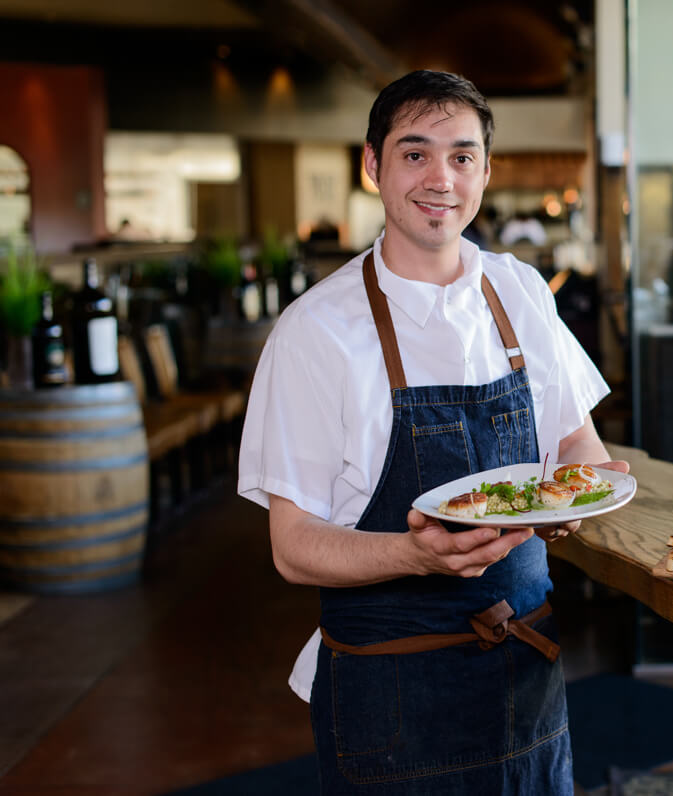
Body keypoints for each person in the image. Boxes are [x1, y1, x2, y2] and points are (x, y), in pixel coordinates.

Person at [237, 70, 625, 794]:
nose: (440, 178)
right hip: (393, 701)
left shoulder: (520, 292)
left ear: (485, 169)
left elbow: (579, 447)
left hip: (528, 682)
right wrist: (417, 553)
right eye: (415, 153)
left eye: (462, 156)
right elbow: (292, 548)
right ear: (371, 165)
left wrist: (579, 497)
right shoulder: (316, 332)